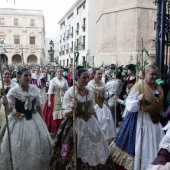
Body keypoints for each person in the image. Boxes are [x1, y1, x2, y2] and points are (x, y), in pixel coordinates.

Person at [49, 67, 115, 170]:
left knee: (97, 147)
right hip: (75, 123)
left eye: (88, 77)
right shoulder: (71, 92)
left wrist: (97, 124)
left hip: (90, 123)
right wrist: (72, 109)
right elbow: (64, 112)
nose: (87, 80)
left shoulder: (89, 91)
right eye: (84, 77)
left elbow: (92, 109)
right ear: (77, 78)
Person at [110, 64, 165, 170]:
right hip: (141, 120)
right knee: (143, 146)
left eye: (155, 75)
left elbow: (157, 101)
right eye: (152, 74)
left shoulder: (157, 87)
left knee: (155, 144)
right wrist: (138, 100)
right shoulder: (139, 86)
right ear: (145, 74)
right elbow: (130, 105)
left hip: (154, 120)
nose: (154, 77)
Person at [0, 67, 52, 170]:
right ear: (19, 77)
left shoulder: (34, 89)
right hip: (18, 119)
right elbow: (8, 111)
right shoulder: (13, 91)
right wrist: (5, 104)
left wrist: (43, 121)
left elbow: (38, 107)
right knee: (19, 146)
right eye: (25, 75)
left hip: (34, 119)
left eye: (29, 75)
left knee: (36, 145)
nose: (28, 78)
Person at [87, 67, 115, 141]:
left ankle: (106, 142)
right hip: (94, 107)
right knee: (98, 124)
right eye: (98, 74)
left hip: (103, 107)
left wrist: (107, 105)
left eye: (101, 74)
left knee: (107, 124)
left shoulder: (102, 84)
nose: (100, 75)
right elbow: (89, 98)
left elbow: (105, 96)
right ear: (93, 74)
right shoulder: (90, 85)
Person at [43, 67, 68, 135]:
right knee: (54, 113)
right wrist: (49, 101)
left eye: (60, 72)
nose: (59, 73)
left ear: (62, 72)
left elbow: (66, 90)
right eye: (58, 72)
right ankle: (55, 130)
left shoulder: (65, 80)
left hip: (63, 98)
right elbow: (50, 91)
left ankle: (62, 128)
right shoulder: (53, 81)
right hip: (55, 98)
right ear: (56, 73)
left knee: (64, 112)